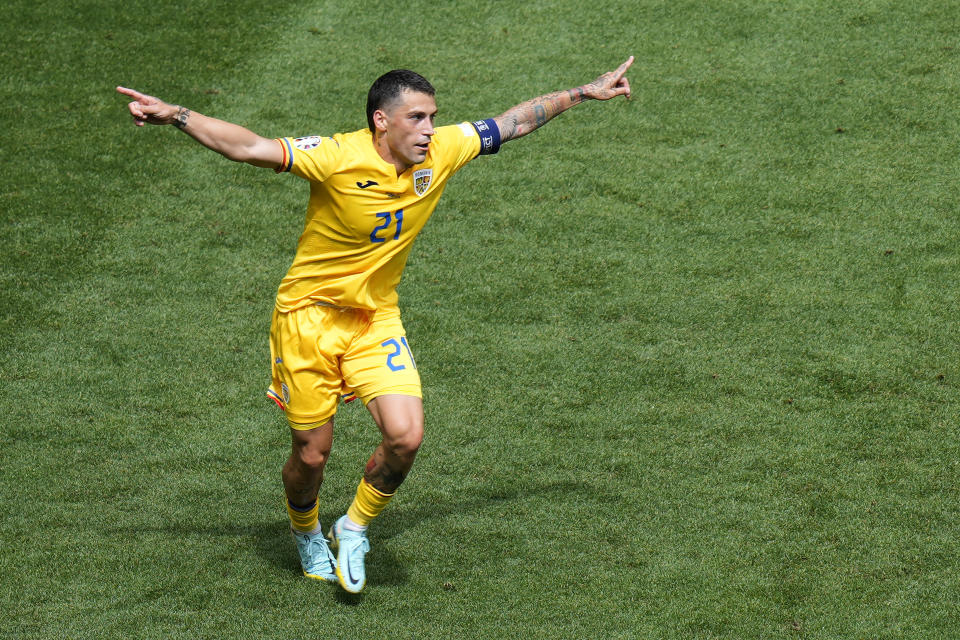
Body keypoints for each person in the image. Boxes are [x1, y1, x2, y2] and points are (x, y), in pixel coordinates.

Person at [117, 56, 633, 593]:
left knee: (406, 437)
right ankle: (305, 529)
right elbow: (249, 147)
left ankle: (354, 525)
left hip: (374, 318)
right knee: (312, 453)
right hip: (307, 320)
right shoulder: (338, 155)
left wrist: (583, 93)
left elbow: (513, 121)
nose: (430, 130)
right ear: (381, 122)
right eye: (416, 118)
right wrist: (176, 115)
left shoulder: (442, 151)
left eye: (433, 117)